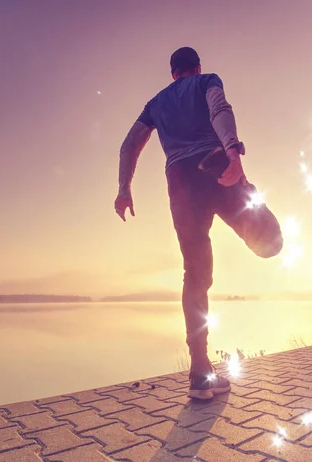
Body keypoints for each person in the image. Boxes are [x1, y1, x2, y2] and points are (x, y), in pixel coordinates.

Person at [114, 47, 283, 400]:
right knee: (271, 242)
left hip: (181, 183)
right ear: (197, 67)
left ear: (173, 73)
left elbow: (129, 144)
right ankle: (254, 216)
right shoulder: (208, 81)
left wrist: (124, 188)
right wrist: (234, 154)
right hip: (215, 165)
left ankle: (200, 371)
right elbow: (220, 109)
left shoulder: (155, 103)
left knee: (195, 273)